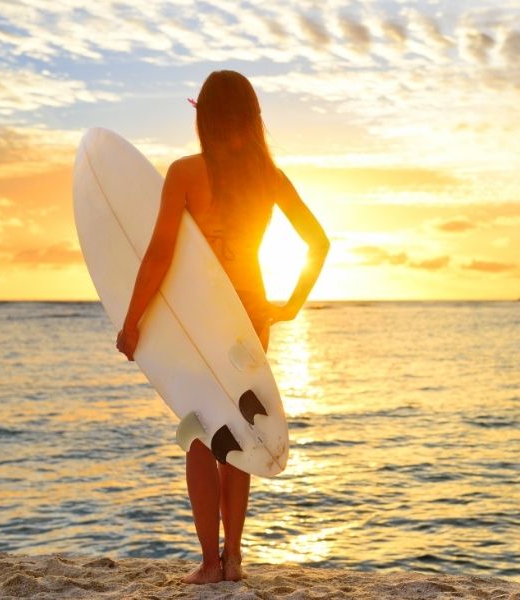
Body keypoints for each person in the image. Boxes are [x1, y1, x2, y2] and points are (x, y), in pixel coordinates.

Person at [114, 70, 329, 584]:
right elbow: (317, 242)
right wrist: (292, 304)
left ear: (202, 118)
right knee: (238, 437)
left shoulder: (186, 173)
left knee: (199, 435)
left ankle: (209, 564)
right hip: (249, 316)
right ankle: (234, 559)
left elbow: (160, 254)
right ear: (254, 120)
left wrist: (132, 320)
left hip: (198, 318)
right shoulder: (269, 179)